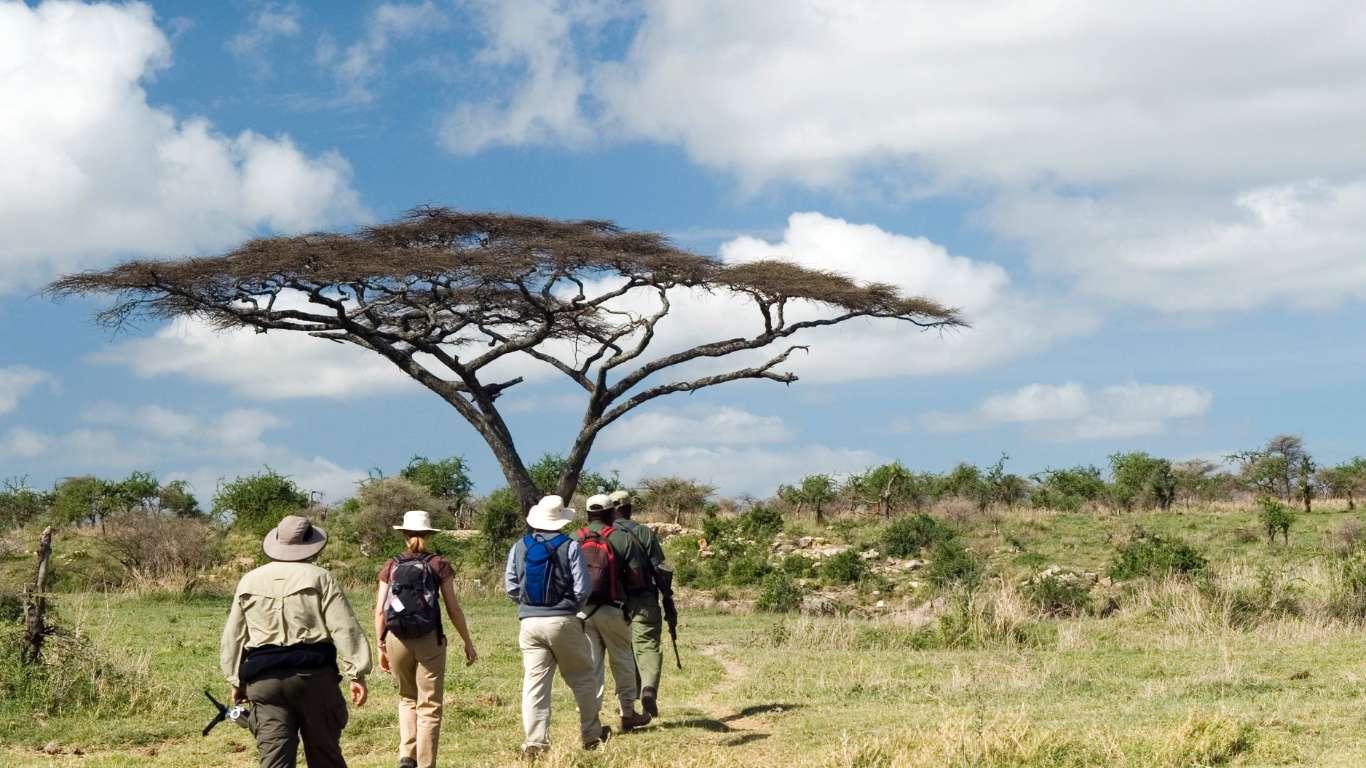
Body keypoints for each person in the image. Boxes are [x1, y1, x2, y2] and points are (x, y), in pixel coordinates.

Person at [220, 515, 371, 768]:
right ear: (310, 544)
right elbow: (344, 627)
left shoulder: (249, 580)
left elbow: (234, 634)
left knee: (274, 760)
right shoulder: (321, 577)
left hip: (263, 680)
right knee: (325, 756)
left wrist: (236, 680)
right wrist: (356, 674)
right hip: (313, 678)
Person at [505, 495, 610, 755]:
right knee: (583, 678)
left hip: (529, 623)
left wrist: (528, 605)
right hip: (563, 619)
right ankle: (591, 735)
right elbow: (582, 587)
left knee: (535, 684)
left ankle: (535, 742)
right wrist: (570, 609)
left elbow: (511, 586)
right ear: (561, 520)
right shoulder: (570, 545)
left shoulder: (520, 546)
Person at [374, 510, 478, 768]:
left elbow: (379, 610)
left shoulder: (392, 565)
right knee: (429, 704)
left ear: (405, 535)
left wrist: (380, 644)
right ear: (429, 535)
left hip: (396, 637)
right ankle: (425, 763)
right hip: (429, 638)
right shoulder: (438, 564)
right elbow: (453, 608)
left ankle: (406, 757)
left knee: (407, 697)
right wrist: (467, 640)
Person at [576, 494, 652, 731]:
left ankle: (590, 718)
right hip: (613, 609)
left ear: (588, 515)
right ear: (611, 514)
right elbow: (637, 579)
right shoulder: (621, 538)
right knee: (622, 660)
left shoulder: (573, 539)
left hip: (582, 612)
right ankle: (627, 713)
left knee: (591, 665)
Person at [609, 489, 667, 717]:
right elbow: (659, 569)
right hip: (644, 598)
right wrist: (667, 598)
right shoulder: (643, 532)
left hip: (613, 601)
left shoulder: (605, 534)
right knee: (647, 644)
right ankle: (649, 689)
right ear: (629, 508)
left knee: (623, 650)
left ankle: (628, 702)